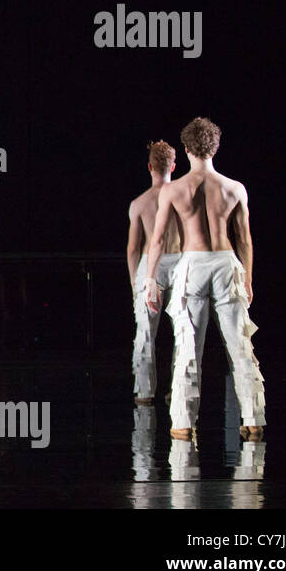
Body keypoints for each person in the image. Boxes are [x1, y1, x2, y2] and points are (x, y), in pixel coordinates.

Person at [146, 117, 264, 441]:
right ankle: (254, 419)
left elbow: (157, 241)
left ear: (185, 149)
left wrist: (151, 281)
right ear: (216, 146)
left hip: (193, 265)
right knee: (240, 345)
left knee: (188, 348)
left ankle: (183, 423)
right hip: (227, 263)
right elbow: (245, 240)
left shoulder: (174, 189)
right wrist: (249, 279)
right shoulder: (234, 188)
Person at [126, 140, 182, 405]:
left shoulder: (139, 203)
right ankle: (179, 391)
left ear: (149, 166)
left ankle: (145, 392)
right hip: (181, 261)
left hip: (150, 265)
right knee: (183, 332)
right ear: (173, 165)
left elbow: (133, 249)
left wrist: (134, 283)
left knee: (145, 332)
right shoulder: (183, 198)